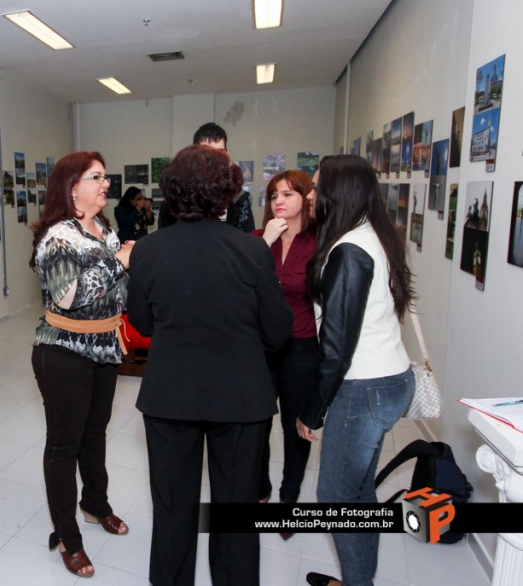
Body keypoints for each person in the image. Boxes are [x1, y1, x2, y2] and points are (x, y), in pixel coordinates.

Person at [127, 145, 292, 586]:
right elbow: (278, 331)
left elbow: (141, 323)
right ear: (226, 193)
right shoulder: (252, 252)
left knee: (172, 510)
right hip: (240, 397)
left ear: (172, 192)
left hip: (169, 395)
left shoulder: (147, 250)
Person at [296, 155, 416, 586]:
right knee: (359, 492)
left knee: (336, 496)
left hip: (364, 387)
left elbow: (337, 346)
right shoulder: (372, 234)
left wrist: (313, 411)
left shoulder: (350, 250)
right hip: (388, 379)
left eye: (315, 187)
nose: (311, 196)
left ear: (338, 193)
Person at [30, 151, 134, 579]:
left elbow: (118, 287)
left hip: (105, 348)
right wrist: (120, 260)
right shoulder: (58, 237)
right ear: (73, 186)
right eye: (96, 177)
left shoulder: (104, 229)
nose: (105, 183)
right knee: (63, 445)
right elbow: (69, 296)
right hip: (63, 353)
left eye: (106, 176)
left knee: (95, 436)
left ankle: (96, 504)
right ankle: (68, 538)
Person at [252, 170, 319, 514]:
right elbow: (238, 284)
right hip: (261, 347)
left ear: (306, 199)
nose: (279, 200)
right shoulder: (257, 239)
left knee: (295, 426)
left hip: (301, 346)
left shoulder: (318, 242)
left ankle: (289, 495)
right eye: (275, 195)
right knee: (257, 422)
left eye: (288, 194)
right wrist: (264, 241)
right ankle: (260, 487)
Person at [158, 122, 253, 231]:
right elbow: (164, 241)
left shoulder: (238, 199)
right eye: (207, 152)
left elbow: (246, 239)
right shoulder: (175, 199)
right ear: (194, 155)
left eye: (220, 152)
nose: (214, 159)